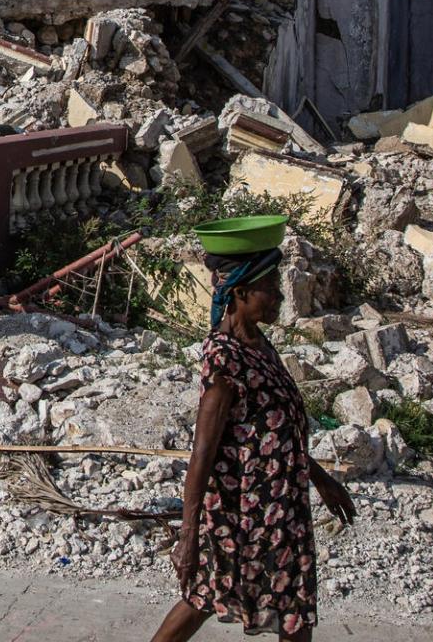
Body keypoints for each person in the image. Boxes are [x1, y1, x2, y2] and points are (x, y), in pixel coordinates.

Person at [149, 246, 356, 642]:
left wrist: (320, 478)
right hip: (244, 512)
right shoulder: (226, 359)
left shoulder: (258, 344)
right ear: (240, 294)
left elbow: (273, 430)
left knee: (277, 607)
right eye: (269, 288)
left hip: (281, 509)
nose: (278, 296)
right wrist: (188, 533)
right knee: (216, 599)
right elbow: (203, 451)